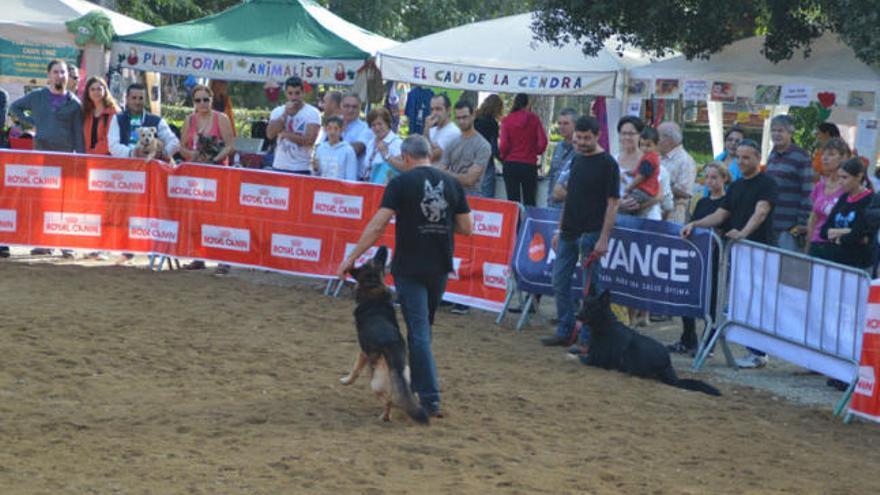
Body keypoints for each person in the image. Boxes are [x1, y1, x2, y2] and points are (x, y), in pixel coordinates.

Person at [336, 135, 473, 419]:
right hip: (439, 266)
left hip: (410, 268)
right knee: (424, 331)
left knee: (419, 334)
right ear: (428, 155)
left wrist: (352, 257)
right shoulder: (451, 183)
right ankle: (421, 388)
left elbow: (377, 226)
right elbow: (467, 227)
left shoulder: (400, 183)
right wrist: (439, 225)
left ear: (407, 157)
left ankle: (430, 398)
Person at [681, 139, 777, 369]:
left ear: (757, 158)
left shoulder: (767, 183)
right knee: (738, 300)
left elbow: (761, 212)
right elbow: (721, 215)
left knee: (755, 302)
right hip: (735, 253)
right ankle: (748, 349)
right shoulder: (736, 187)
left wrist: (743, 232)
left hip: (758, 250)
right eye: (740, 157)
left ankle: (759, 352)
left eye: (747, 157)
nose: (742, 162)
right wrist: (695, 224)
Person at [540, 116, 619, 348]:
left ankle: (588, 338)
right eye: (579, 138)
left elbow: (613, 203)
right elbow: (570, 198)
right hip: (569, 231)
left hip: (592, 233)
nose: (582, 142)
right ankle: (566, 329)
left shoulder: (608, 164)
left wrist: (604, 238)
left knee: (592, 289)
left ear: (597, 136)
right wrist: (559, 229)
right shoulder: (577, 160)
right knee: (559, 280)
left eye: (587, 138)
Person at [668, 162, 730, 354]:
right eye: (707, 178)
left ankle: (708, 343)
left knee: (712, 300)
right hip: (697, 256)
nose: (709, 182)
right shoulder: (702, 202)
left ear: (724, 179)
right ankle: (688, 338)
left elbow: (724, 228)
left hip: (716, 258)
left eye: (714, 178)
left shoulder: (727, 203)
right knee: (688, 296)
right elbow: (692, 225)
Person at [437, 99, 492, 316]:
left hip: (471, 201)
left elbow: (471, 179)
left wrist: (448, 174)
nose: (462, 121)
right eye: (458, 117)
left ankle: (464, 297)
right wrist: (451, 174)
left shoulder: (483, 145)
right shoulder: (453, 143)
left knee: (468, 252)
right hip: (449, 199)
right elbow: (441, 167)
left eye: (465, 117)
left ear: (473, 115)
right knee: (446, 248)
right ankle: (447, 293)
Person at [9, 59, 84, 153]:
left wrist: (81, 158)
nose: (59, 76)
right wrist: (32, 121)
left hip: (64, 154)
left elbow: (78, 135)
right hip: (41, 151)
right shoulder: (37, 96)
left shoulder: (75, 103)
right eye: (55, 72)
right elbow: (14, 107)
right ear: (49, 75)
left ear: (67, 75)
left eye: (63, 72)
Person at [765, 114, 813, 251]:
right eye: (773, 130)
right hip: (771, 223)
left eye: (780, 131)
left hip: (790, 228)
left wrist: (801, 223)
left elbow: (808, 192)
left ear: (790, 133)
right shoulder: (772, 155)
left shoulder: (801, 156)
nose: (776, 134)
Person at [819, 158, 876, 270]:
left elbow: (857, 235)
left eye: (845, 177)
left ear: (859, 177)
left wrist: (836, 235)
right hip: (835, 260)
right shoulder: (844, 198)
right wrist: (847, 232)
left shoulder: (870, 200)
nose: (840, 181)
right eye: (839, 177)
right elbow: (824, 231)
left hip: (857, 265)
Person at [499, 93, 548, 206]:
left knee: (512, 202)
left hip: (511, 164)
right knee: (530, 200)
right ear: (528, 104)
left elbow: (503, 145)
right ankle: (529, 223)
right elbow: (543, 143)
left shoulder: (507, 120)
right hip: (529, 165)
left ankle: (514, 223)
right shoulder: (534, 119)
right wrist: (534, 151)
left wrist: (504, 156)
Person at [108, 83, 179, 159]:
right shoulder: (117, 119)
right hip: (125, 167)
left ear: (145, 100)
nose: (137, 102)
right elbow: (113, 146)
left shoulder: (157, 121)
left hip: (150, 168)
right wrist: (133, 153)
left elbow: (174, 142)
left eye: (141, 98)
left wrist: (163, 154)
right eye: (134, 98)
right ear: (127, 99)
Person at [805, 138, 850, 258]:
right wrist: (808, 246)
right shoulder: (820, 186)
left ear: (843, 157)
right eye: (823, 154)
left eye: (831, 154)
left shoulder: (848, 188)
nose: (825, 158)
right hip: (816, 244)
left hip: (836, 247)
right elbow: (813, 218)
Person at [266, 76, 320, 174]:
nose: (294, 97)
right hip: (280, 166)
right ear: (285, 93)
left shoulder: (312, 113)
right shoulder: (277, 111)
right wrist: (285, 113)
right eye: (290, 93)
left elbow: (309, 141)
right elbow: (270, 134)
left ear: (303, 93)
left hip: (302, 168)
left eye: (297, 93)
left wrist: (285, 134)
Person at [179, 84, 235, 165]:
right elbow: (181, 147)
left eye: (206, 100)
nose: (202, 103)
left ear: (211, 100)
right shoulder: (189, 120)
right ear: (194, 102)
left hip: (216, 168)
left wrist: (214, 159)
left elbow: (230, 146)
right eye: (198, 100)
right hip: (193, 168)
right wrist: (191, 154)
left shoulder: (221, 118)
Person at [657, 122, 696, 224]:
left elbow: (686, 193)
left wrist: (660, 184)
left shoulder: (685, 161)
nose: (655, 140)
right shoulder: (659, 157)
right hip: (656, 213)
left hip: (672, 217)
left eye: (658, 136)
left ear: (669, 139)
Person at [620, 127, 661, 217]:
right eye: (642, 145)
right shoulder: (652, 157)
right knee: (637, 213)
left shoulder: (649, 158)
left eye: (648, 145)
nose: (644, 148)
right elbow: (639, 171)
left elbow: (641, 176)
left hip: (644, 191)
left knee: (623, 207)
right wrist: (630, 173)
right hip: (648, 192)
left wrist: (629, 188)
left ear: (656, 145)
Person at [362, 107, 403, 184]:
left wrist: (387, 155)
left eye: (380, 124)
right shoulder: (371, 143)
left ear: (387, 123)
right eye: (373, 125)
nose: (377, 128)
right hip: (369, 187)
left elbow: (405, 167)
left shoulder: (397, 143)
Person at [546, 108, 577, 208]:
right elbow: (552, 175)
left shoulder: (581, 149)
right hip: (552, 205)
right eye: (560, 123)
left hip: (570, 208)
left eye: (566, 123)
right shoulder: (558, 147)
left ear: (575, 125)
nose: (561, 127)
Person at [473, 94, 503, 199]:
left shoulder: (475, 120)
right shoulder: (492, 123)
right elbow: (494, 148)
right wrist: (503, 161)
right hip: (486, 161)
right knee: (486, 197)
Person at [312, 116, 358, 181]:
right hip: (322, 188)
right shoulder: (320, 148)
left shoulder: (348, 150)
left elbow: (351, 177)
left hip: (340, 189)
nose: (332, 132)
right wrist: (315, 169)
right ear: (325, 130)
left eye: (336, 129)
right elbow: (315, 175)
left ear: (341, 130)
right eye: (329, 128)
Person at [82, 77, 119, 156]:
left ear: (105, 91)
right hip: (87, 157)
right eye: (92, 89)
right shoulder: (86, 112)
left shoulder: (113, 112)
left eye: (99, 89)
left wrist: (93, 154)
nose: (96, 92)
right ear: (88, 92)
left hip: (106, 158)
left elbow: (109, 139)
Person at [423, 93, 460, 162]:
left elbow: (430, 157)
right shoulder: (432, 130)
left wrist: (427, 130)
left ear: (448, 110)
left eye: (438, 109)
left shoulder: (453, 132)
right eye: (432, 109)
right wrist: (427, 129)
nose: (434, 113)